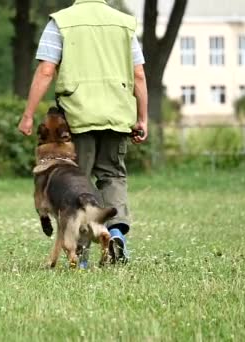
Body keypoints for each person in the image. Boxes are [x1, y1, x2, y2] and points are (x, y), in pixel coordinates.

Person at [18, 0, 148, 265]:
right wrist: (142, 118)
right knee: (113, 176)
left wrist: (29, 114)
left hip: (78, 116)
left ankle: (82, 255)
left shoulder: (61, 22)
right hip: (117, 115)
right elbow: (139, 75)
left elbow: (45, 70)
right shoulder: (123, 23)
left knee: (78, 182)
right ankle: (115, 233)